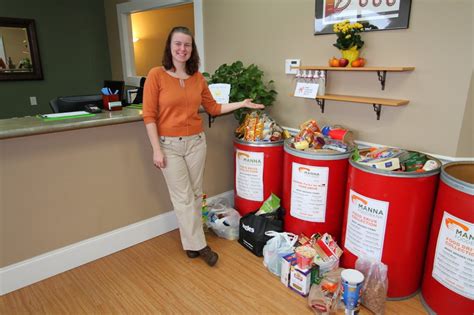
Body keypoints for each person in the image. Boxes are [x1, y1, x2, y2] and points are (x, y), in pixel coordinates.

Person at [142, 26, 264, 267]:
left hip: (197, 143)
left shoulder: (198, 77)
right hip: (169, 146)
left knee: (196, 195)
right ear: (170, 46)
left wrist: (242, 103)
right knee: (184, 198)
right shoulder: (156, 75)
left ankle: (190, 244)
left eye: (187, 45)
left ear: (192, 49)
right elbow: (149, 115)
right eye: (177, 44)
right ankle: (200, 245)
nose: (182, 49)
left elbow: (214, 108)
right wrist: (156, 149)